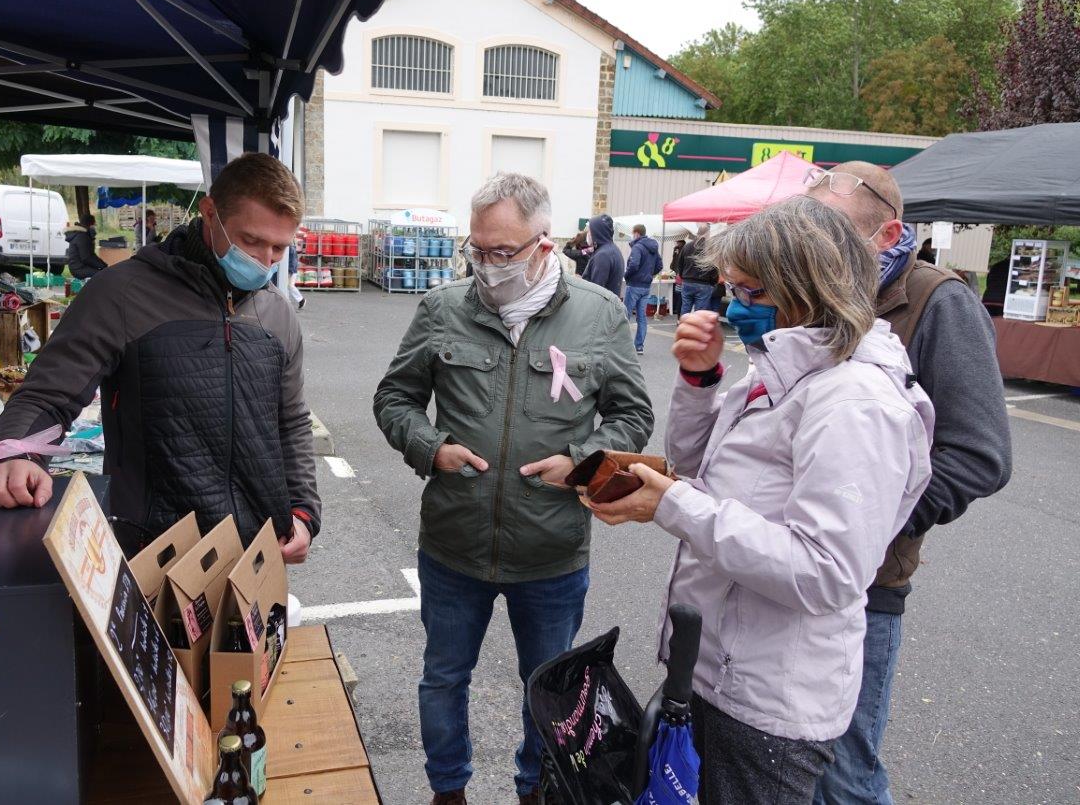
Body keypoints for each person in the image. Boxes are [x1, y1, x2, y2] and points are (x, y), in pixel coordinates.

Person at [590, 196, 935, 803]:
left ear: (808, 290)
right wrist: (699, 382)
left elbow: (826, 572)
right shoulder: (780, 369)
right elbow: (700, 469)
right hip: (716, 670)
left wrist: (671, 505)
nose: (732, 307)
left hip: (768, 701)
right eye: (730, 289)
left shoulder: (855, 402)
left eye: (750, 292)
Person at [373, 173, 653, 805]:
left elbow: (632, 417)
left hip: (551, 550)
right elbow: (395, 397)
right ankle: (448, 791)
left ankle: (536, 790)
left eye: (504, 252)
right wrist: (431, 447)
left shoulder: (599, 314)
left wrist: (579, 462)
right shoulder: (445, 307)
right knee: (444, 678)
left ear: (544, 243)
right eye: (478, 250)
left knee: (545, 686)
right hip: (453, 543)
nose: (488, 266)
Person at [0, 153, 320, 564]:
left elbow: (291, 420)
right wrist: (14, 455)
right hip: (152, 552)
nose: (264, 261)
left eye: (279, 248)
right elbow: (47, 394)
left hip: (255, 555)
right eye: (251, 241)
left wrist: (303, 513)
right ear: (210, 212)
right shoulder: (122, 293)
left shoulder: (277, 313)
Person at [804, 162, 1012, 804]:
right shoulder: (814, 292)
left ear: (887, 231)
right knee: (785, 764)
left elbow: (980, 456)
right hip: (785, 577)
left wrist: (865, 521)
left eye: (829, 230)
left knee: (844, 775)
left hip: (866, 588)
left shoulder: (937, 301)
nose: (814, 248)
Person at [623, 224, 663, 355]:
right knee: (642, 317)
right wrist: (649, 274)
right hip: (646, 286)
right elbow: (659, 265)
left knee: (625, 316)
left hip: (634, 284)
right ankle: (639, 346)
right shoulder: (653, 248)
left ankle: (623, 346)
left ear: (637, 233)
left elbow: (634, 264)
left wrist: (627, 275)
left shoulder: (638, 247)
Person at [677, 225, 718, 315]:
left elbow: (679, 264)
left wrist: (683, 276)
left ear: (697, 233)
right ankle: (696, 327)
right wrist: (713, 282)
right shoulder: (710, 248)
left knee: (685, 308)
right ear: (708, 233)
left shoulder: (687, 246)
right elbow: (714, 268)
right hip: (703, 283)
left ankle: (683, 326)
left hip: (687, 281)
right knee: (699, 312)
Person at [579, 213, 622, 297]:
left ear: (597, 232)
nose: (588, 233)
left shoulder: (603, 255)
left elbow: (596, 290)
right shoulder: (611, 250)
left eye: (590, 230)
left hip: (600, 308)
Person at [65, 214, 107, 280]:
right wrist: (102, 266)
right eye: (93, 225)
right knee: (103, 275)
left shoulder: (83, 235)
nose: (94, 227)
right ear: (89, 225)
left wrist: (103, 265)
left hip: (81, 266)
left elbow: (91, 255)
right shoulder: (82, 237)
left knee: (104, 272)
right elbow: (86, 258)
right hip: (78, 269)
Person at [670, 237, 686, 316]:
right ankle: (676, 310)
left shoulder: (681, 249)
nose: (676, 243)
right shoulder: (679, 248)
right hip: (680, 274)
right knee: (679, 295)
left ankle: (676, 310)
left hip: (679, 274)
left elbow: (676, 262)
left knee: (678, 294)